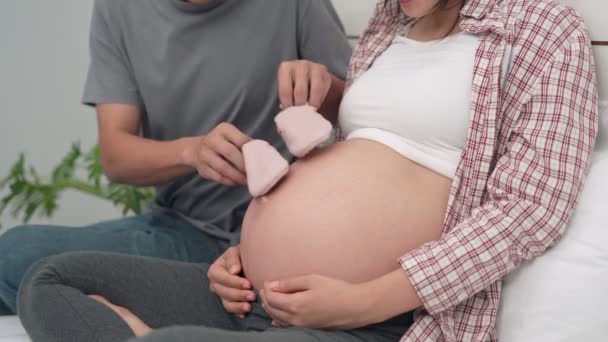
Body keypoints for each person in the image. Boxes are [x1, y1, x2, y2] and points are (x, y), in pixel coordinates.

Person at [17, 0, 599, 341]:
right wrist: (247, 250)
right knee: (47, 281)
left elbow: (529, 209)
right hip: (254, 293)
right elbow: (339, 160)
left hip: (369, 320)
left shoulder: (542, 30)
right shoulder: (386, 27)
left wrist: (362, 302)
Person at [0, 0, 351, 316]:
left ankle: (181, 302)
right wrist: (191, 152)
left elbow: (359, 112)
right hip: (182, 232)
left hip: (281, 235)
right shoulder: (118, 10)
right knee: (13, 253)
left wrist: (326, 87)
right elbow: (116, 156)